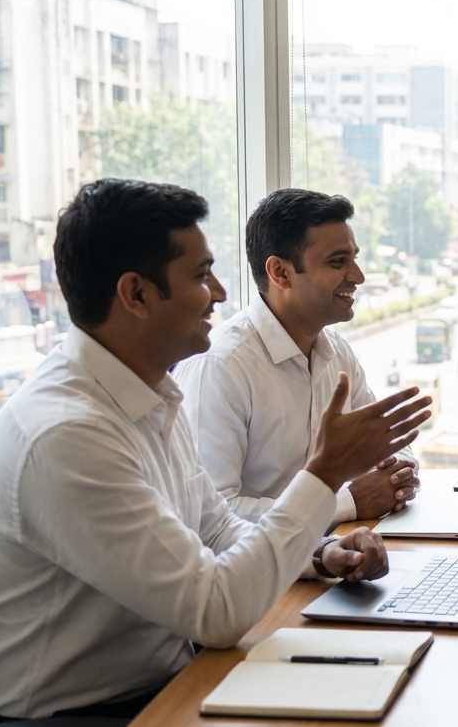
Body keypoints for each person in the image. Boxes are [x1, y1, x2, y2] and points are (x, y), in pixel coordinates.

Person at [0, 179, 431, 721]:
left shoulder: (151, 394)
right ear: (136, 294)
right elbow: (216, 611)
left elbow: (218, 530)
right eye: (202, 275)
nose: (223, 293)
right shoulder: (66, 436)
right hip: (68, 724)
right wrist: (325, 476)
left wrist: (320, 555)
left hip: (165, 684)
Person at [176, 189, 421, 525]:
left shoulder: (336, 351)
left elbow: (387, 445)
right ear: (281, 273)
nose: (358, 276)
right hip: (264, 575)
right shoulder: (220, 367)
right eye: (338, 262)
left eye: (354, 258)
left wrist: (397, 475)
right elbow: (210, 516)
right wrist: (346, 503)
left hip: (329, 555)